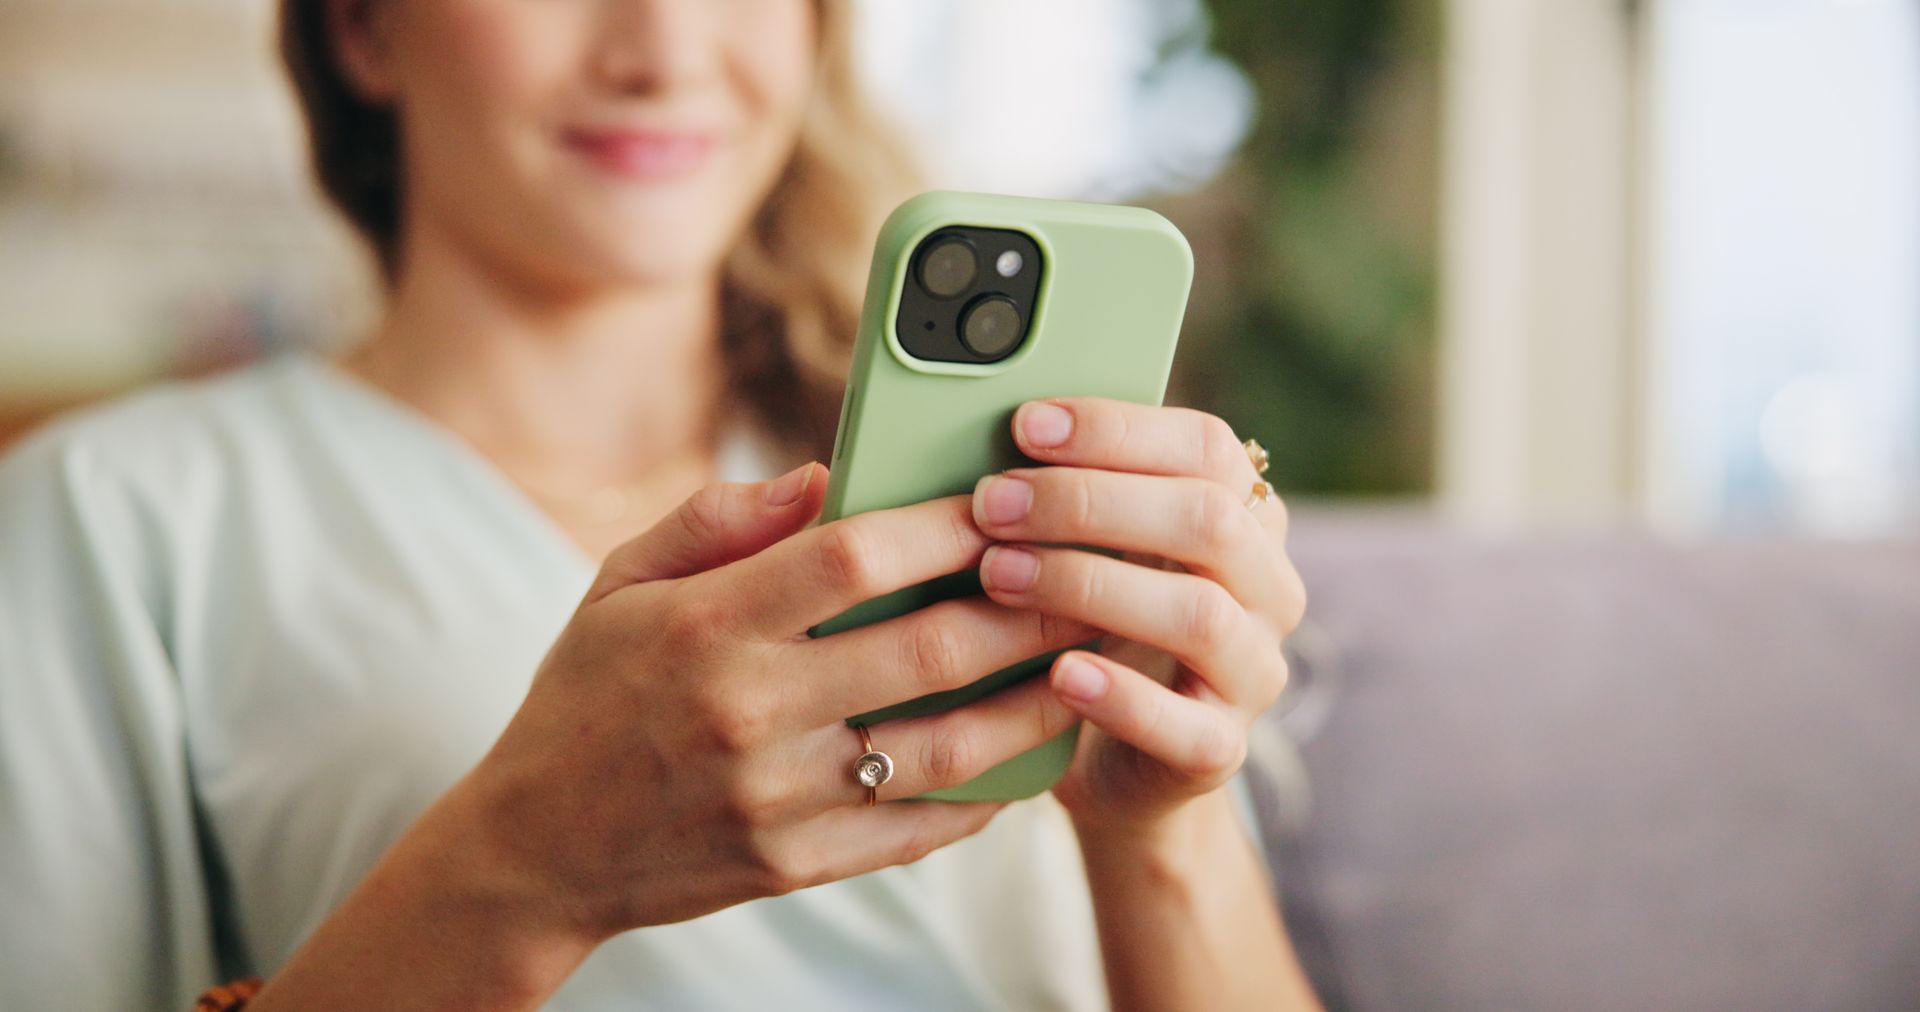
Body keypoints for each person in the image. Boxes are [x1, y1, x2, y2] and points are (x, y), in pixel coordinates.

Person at [0, 0, 1317, 1008]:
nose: (666, 49)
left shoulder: (990, 489)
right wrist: (524, 869)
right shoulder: (115, 515)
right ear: (362, 30)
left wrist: (1158, 829)